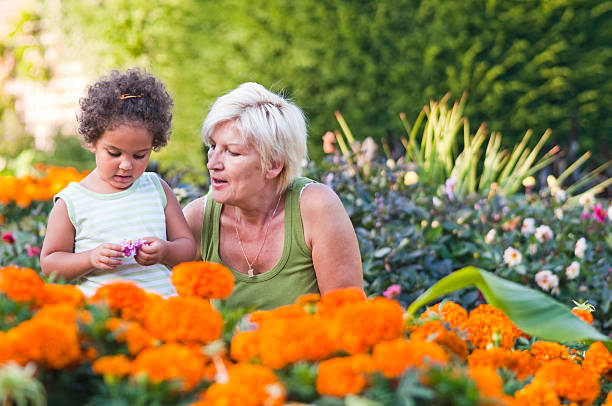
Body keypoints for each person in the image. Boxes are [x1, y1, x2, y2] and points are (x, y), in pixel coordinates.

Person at [183, 82, 363, 310]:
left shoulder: (316, 208)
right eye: (212, 146)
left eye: (233, 152)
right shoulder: (197, 219)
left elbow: (348, 316)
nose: (212, 163)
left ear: (273, 165)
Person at [40, 68, 196, 296]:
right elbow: (51, 264)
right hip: (105, 321)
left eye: (139, 155)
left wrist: (165, 251)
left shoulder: (156, 188)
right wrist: (90, 258)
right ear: (92, 141)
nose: (126, 165)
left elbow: (187, 247)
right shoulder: (72, 201)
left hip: (160, 315)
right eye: (114, 153)